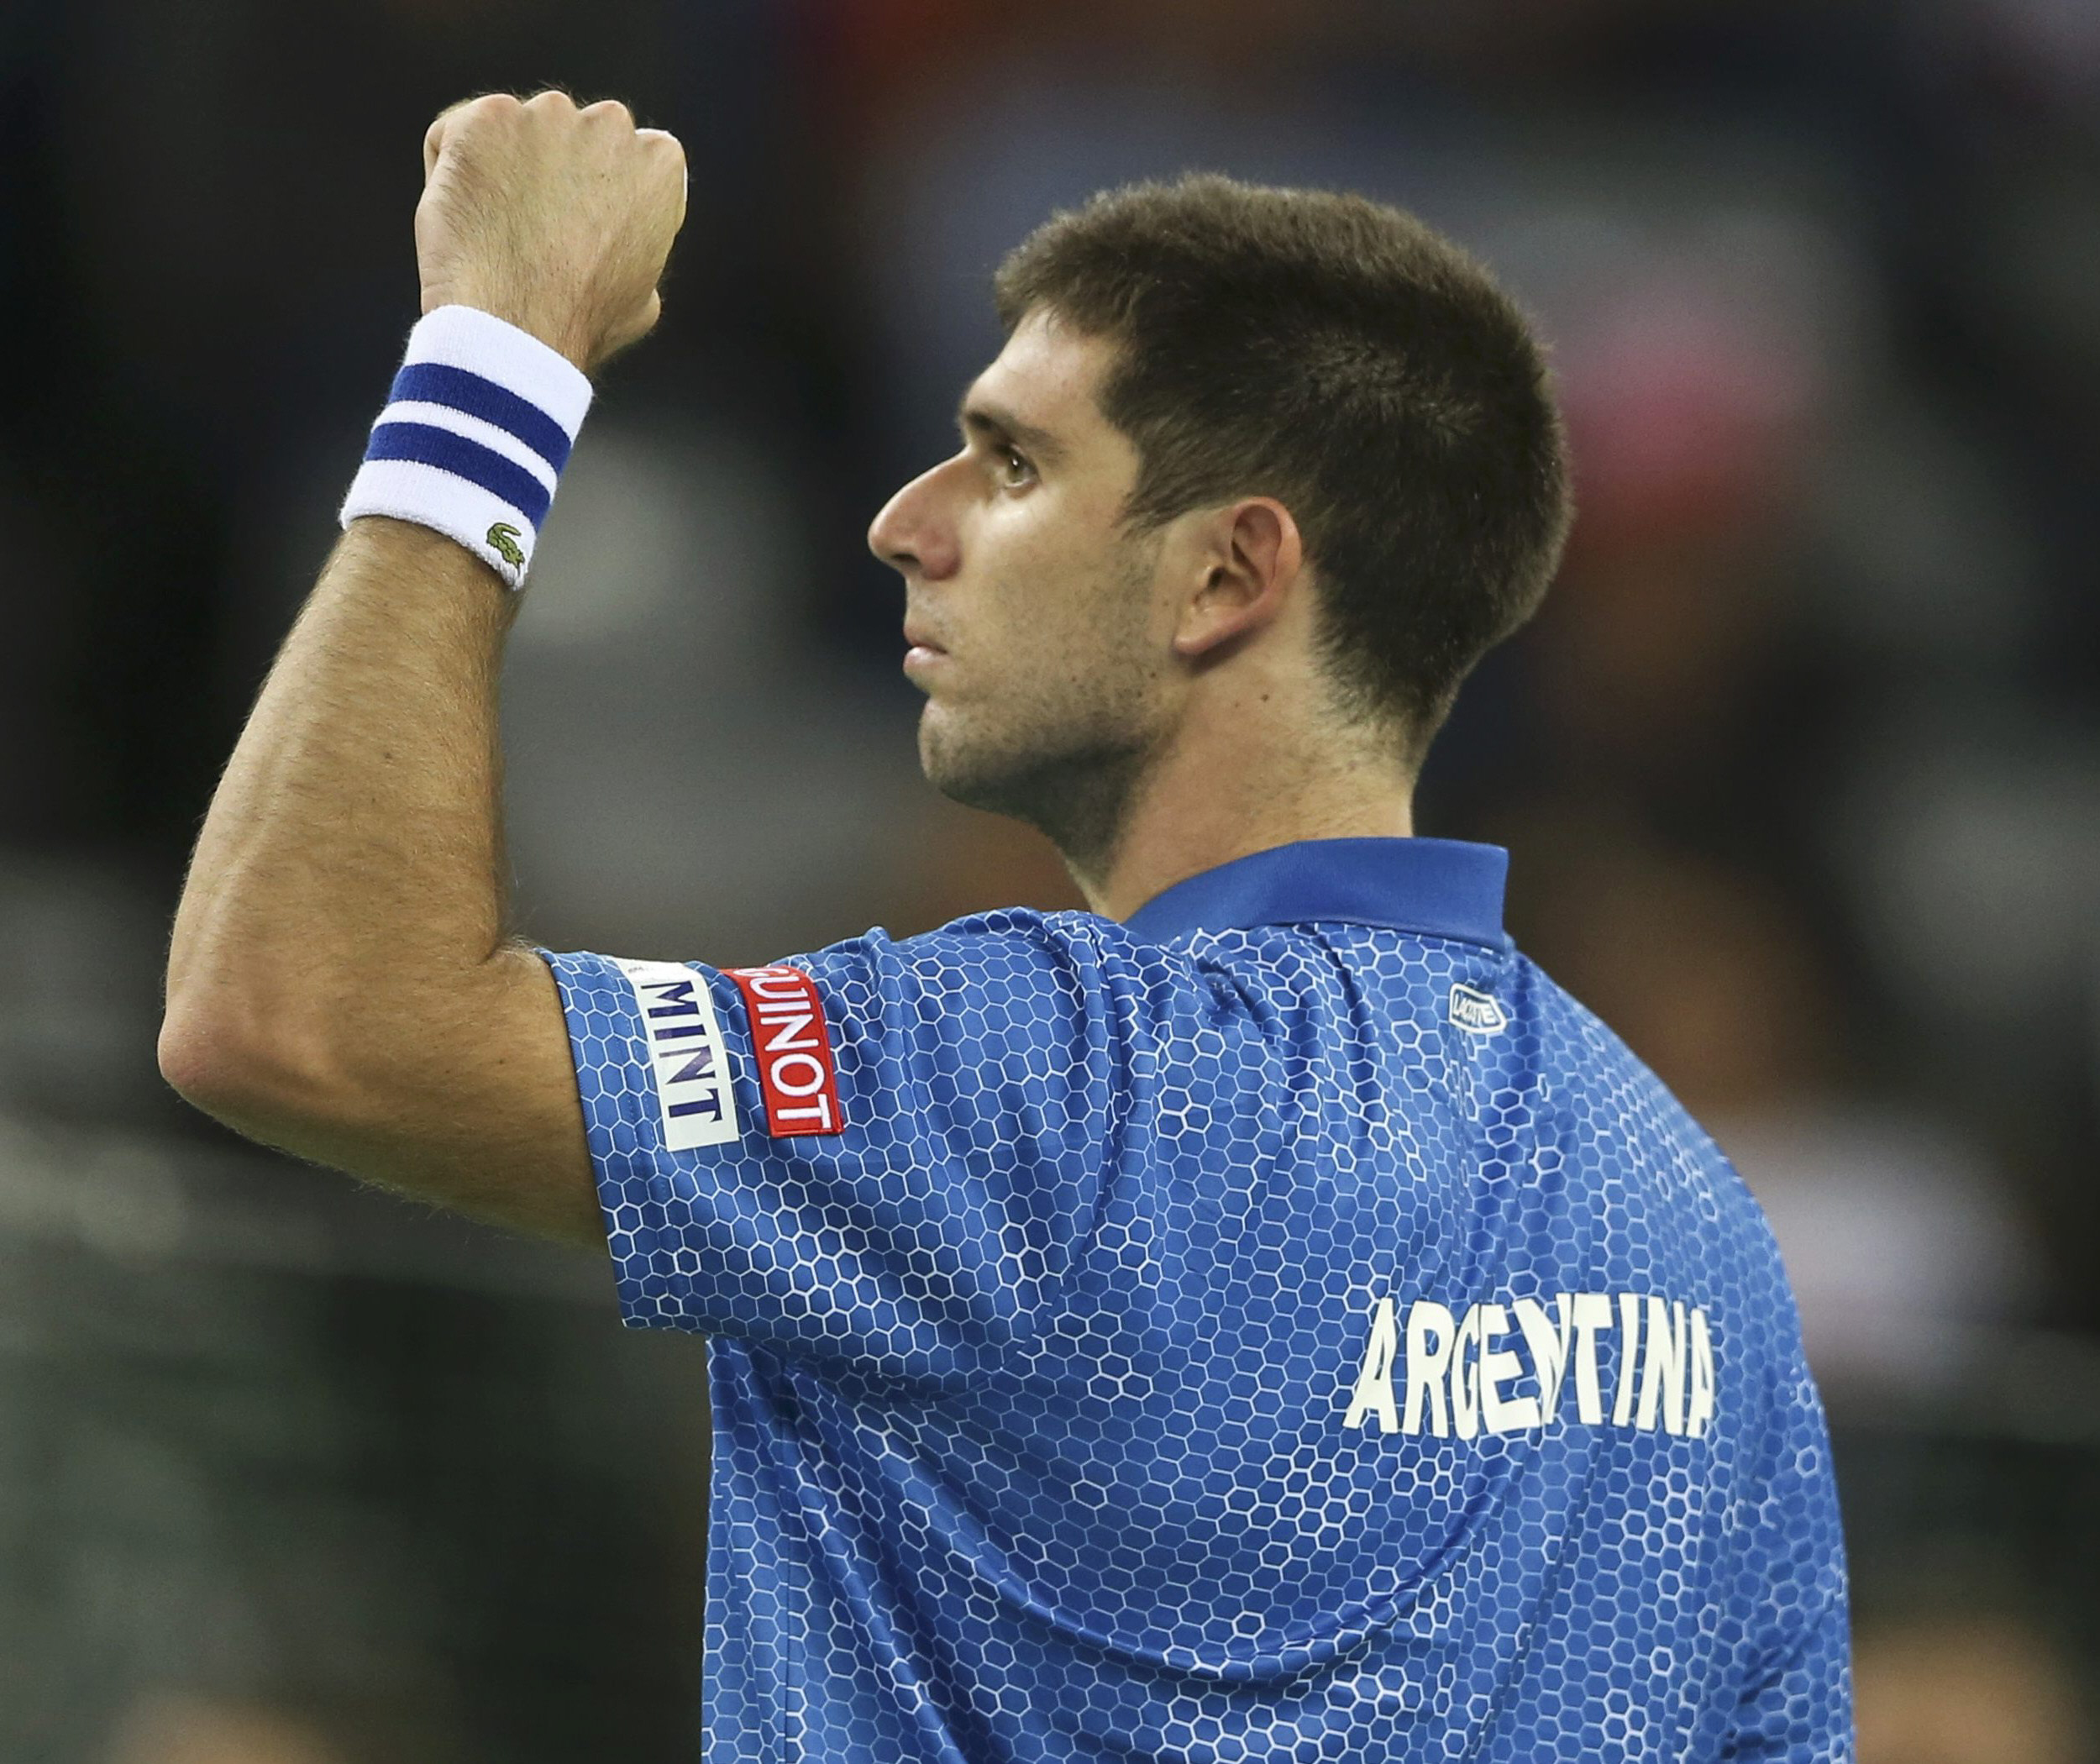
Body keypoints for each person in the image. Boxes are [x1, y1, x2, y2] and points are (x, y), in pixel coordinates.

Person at [159, 90, 1851, 1763]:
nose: (908, 522)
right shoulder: (1688, 1216)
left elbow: (300, 1012)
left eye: (1014, 463)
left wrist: (499, 352)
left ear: (1227, 577)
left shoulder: (1040, 1079)